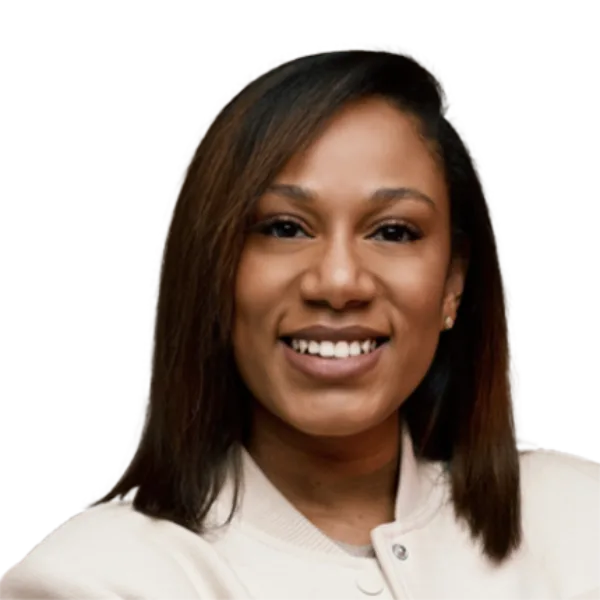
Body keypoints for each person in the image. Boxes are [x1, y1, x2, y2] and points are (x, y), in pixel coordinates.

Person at [2, 49, 599, 600]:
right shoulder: (96, 579)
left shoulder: (582, 520)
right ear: (212, 272)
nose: (338, 282)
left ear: (453, 282)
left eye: (393, 231)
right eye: (284, 228)